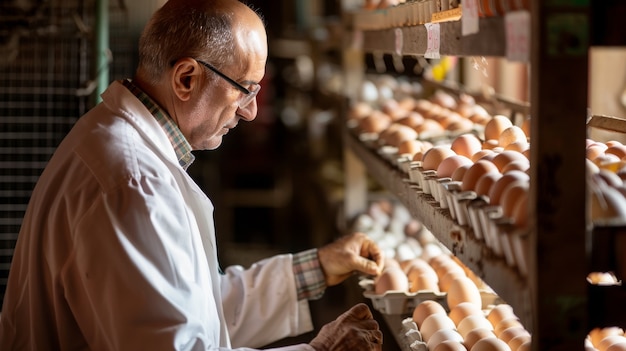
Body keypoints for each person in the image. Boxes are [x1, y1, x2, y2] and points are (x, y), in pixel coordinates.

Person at [0, 0, 386, 350]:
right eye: (245, 90)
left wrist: (316, 267)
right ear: (187, 78)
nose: (250, 112)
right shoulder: (132, 184)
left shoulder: (120, 147)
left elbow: (193, 307)